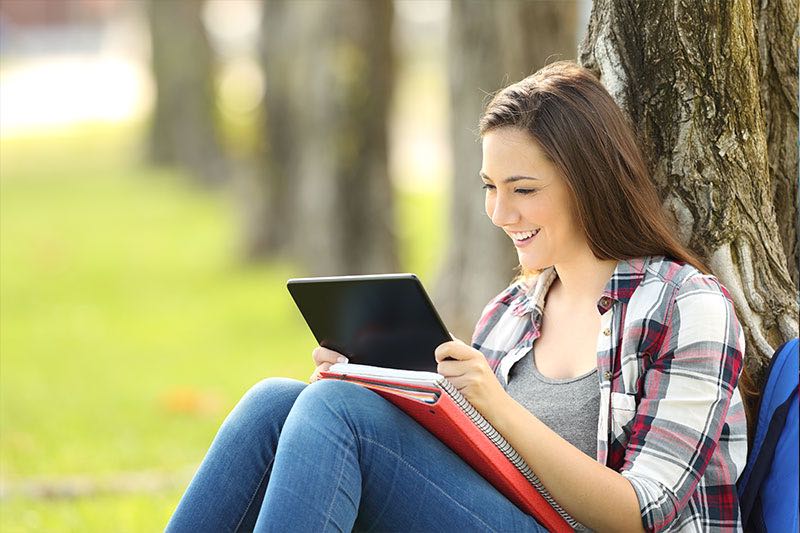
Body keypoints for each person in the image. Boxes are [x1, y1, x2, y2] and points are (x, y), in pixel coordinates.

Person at [166, 61, 747, 532]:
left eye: (523, 189)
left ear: (588, 181)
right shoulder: (512, 315)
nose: (499, 212)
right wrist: (376, 383)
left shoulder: (687, 307)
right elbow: (462, 467)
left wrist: (495, 405)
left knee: (334, 414)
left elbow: (640, 513)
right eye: (491, 188)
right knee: (279, 403)